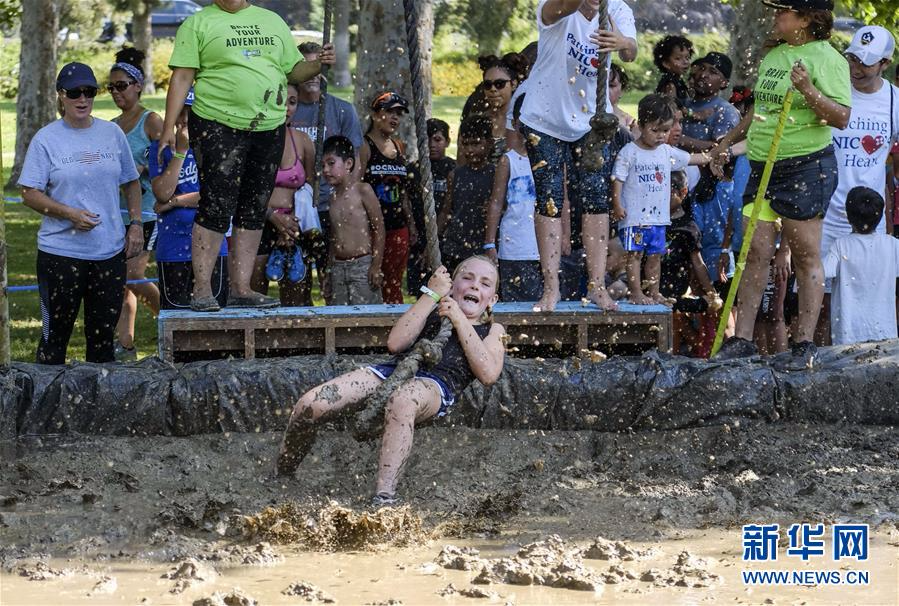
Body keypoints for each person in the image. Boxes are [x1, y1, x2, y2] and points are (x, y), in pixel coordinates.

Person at [277, 256, 505, 505]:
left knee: (403, 400)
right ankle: (283, 474)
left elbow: (488, 373)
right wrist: (431, 295)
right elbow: (396, 343)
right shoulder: (432, 307)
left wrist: (460, 320)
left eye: (484, 283)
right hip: (393, 371)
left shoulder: (495, 330)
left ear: (492, 300)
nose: (474, 286)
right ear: (452, 285)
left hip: (436, 385)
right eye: (468, 278)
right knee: (313, 403)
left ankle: (385, 497)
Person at [161, 0, 334, 312]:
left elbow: (293, 70)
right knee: (216, 204)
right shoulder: (198, 24)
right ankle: (202, 289)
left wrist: (318, 63)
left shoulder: (271, 21)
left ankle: (242, 288)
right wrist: (167, 129)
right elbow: (182, 78)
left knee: (254, 205)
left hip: (268, 125)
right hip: (216, 123)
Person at [711, 0, 850, 369]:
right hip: (761, 165)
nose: (775, 17)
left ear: (807, 19)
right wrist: (728, 140)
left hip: (805, 168)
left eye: (783, 12)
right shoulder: (775, 55)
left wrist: (807, 89)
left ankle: (803, 342)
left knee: (805, 256)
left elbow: (841, 118)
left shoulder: (827, 59)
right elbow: (760, 109)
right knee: (754, 252)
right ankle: (742, 340)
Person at [18, 62, 143, 364]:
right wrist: (68, 213)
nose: (82, 99)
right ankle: (46, 408)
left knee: (102, 341)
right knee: (54, 340)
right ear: (61, 95)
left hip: (109, 253)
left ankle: (98, 408)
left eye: (89, 91)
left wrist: (136, 224)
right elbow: (28, 193)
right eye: (74, 93)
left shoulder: (111, 133)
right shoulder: (47, 139)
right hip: (60, 253)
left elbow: (132, 181)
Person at [520, 0, 637, 312]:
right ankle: (551, 288)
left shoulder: (618, 9)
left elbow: (630, 52)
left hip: (590, 120)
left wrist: (622, 41)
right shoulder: (556, 5)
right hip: (544, 118)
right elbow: (557, 9)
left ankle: (597, 286)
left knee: (596, 197)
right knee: (550, 198)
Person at [818, 25, 898, 344]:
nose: (855, 67)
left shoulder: (894, 101)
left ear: (884, 64)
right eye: (852, 57)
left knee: (874, 296)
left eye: (865, 62)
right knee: (820, 303)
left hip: (870, 221)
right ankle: (818, 369)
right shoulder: (834, 88)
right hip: (825, 217)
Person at [611, 94, 710, 305]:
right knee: (634, 256)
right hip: (635, 219)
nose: (660, 136)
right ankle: (636, 293)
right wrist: (617, 205)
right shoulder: (629, 152)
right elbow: (617, 179)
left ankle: (654, 292)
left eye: (665, 131)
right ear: (642, 124)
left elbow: (693, 158)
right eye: (654, 130)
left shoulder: (667, 152)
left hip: (658, 218)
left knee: (655, 256)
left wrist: (715, 155)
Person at [290, 41, 364, 304]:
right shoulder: (289, 108)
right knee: (296, 276)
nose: (314, 76)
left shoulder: (342, 110)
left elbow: (355, 159)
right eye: (308, 67)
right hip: (296, 206)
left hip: (329, 202)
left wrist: (345, 199)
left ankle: (333, 323)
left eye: (319, 67)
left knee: (331, 274)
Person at [149, 88, 229, 310]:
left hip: (212, 245)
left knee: (214, 320)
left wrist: (174, 202)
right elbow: (162, 192)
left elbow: (214, 195)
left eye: (191, 112)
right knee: (176, 317)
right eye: (180, 113)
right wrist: (180, 153)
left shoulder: (216, 146)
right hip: (173, 246)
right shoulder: (160, 147)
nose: (184, 120)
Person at [108, 48, 164, 361]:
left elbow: (169, 158)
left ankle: (172, 321)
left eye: (122, 85)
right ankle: (126, 345)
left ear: (138, 85)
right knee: (122, 283)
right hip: (116, 213)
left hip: (145, 212)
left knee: (132, 274)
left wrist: (145, 169)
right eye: (111, 87)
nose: (117, 92)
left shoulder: (151, 121)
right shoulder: (111, 126)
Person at [250, 83, 316, 306]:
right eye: (280, 100)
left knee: (295, 298)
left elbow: (309, 190)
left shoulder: (303, 142)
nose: (286, 107)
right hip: (258, 222)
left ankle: (293, 340)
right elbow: (245, 189)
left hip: (292, 225)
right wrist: (271, 216)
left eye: (292, 102)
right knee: (255, 293)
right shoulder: (253, 138)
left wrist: (290, 225)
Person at [823, 187, 899, 345]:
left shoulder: (840, 246)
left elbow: (819, 274)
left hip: (848, 334)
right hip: (885, 333)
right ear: (880, 216)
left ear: (848, 217)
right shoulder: (892, 245)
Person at [484, 94, 542, 301]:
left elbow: (563, 202)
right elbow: (496, 202)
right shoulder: (508, 161)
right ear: (516, 123)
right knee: (513, 304)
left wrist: (564, 236)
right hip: (515, 246)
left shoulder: (551, 160)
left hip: (544, 247)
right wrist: (490, 243)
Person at [361, 91, 416, 304]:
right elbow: (356, 187)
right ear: (375, 115)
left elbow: (403, 192)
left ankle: (396, 326)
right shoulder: (365, 147)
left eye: (399, 114)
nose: (395, 118)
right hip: (372, 229)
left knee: (393, 283)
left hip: (398, 227)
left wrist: (411, 225)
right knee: (373, 281)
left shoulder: (399, 147)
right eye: (389, 112)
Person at [322, 136, 385, 305]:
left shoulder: (362, 190)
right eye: (323, 165)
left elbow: (379, 228)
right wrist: (328, 271)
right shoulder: (332, 197)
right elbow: (334, 236)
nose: (326, 170)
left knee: (365, 320)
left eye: (331, 163)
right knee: (340, 321)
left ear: (348, 164)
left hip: (361, 265)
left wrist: (376, 266)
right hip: (338, 267)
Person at [659, 171, 718, 352]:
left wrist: (711, 293)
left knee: (674, 330)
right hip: (653, 291)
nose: (660, 197)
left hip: (675, 291)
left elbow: (698, 263)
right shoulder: (653, 220)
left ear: (683, 192)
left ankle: (674, 360)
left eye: (666, 193)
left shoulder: (688, 228)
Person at [438, 115, 496, 272]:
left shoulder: (496, 174)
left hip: (483, 246)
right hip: (455, 247)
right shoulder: (455, 175)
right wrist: (433, 243)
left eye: (476, 144)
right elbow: (446, 210)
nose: (470, 150)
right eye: (466, 144)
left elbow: (502, 207)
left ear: (489, 143)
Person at [407, 119, 456, 295]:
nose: (432, 145)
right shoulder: (414, 169)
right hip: (418, 236)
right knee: (421, 288)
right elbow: (406, 200)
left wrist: (435, 240)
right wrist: (411, 226)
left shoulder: (453, 168)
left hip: (444, 237)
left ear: (447, 142)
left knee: (445, 287)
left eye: (437, 139)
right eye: (427, 139)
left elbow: (451, 208)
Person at [476, 52, 530, 164]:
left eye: (499, 83)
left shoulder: (525, 120)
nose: (493, 89)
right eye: (487, 84)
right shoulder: (478, 122)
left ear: (514, 84)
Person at [653, 34, 694, 101]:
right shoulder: (670, 85)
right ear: (666, 63)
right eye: (678, 58)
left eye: (687, 58)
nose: (685, 62)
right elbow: (672, 108)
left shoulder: (676, 79)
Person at [610, 62, 638, 135]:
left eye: (611, 85)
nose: (605, 89)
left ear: (622, 90)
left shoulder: (628, 121)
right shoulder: (582, 115)